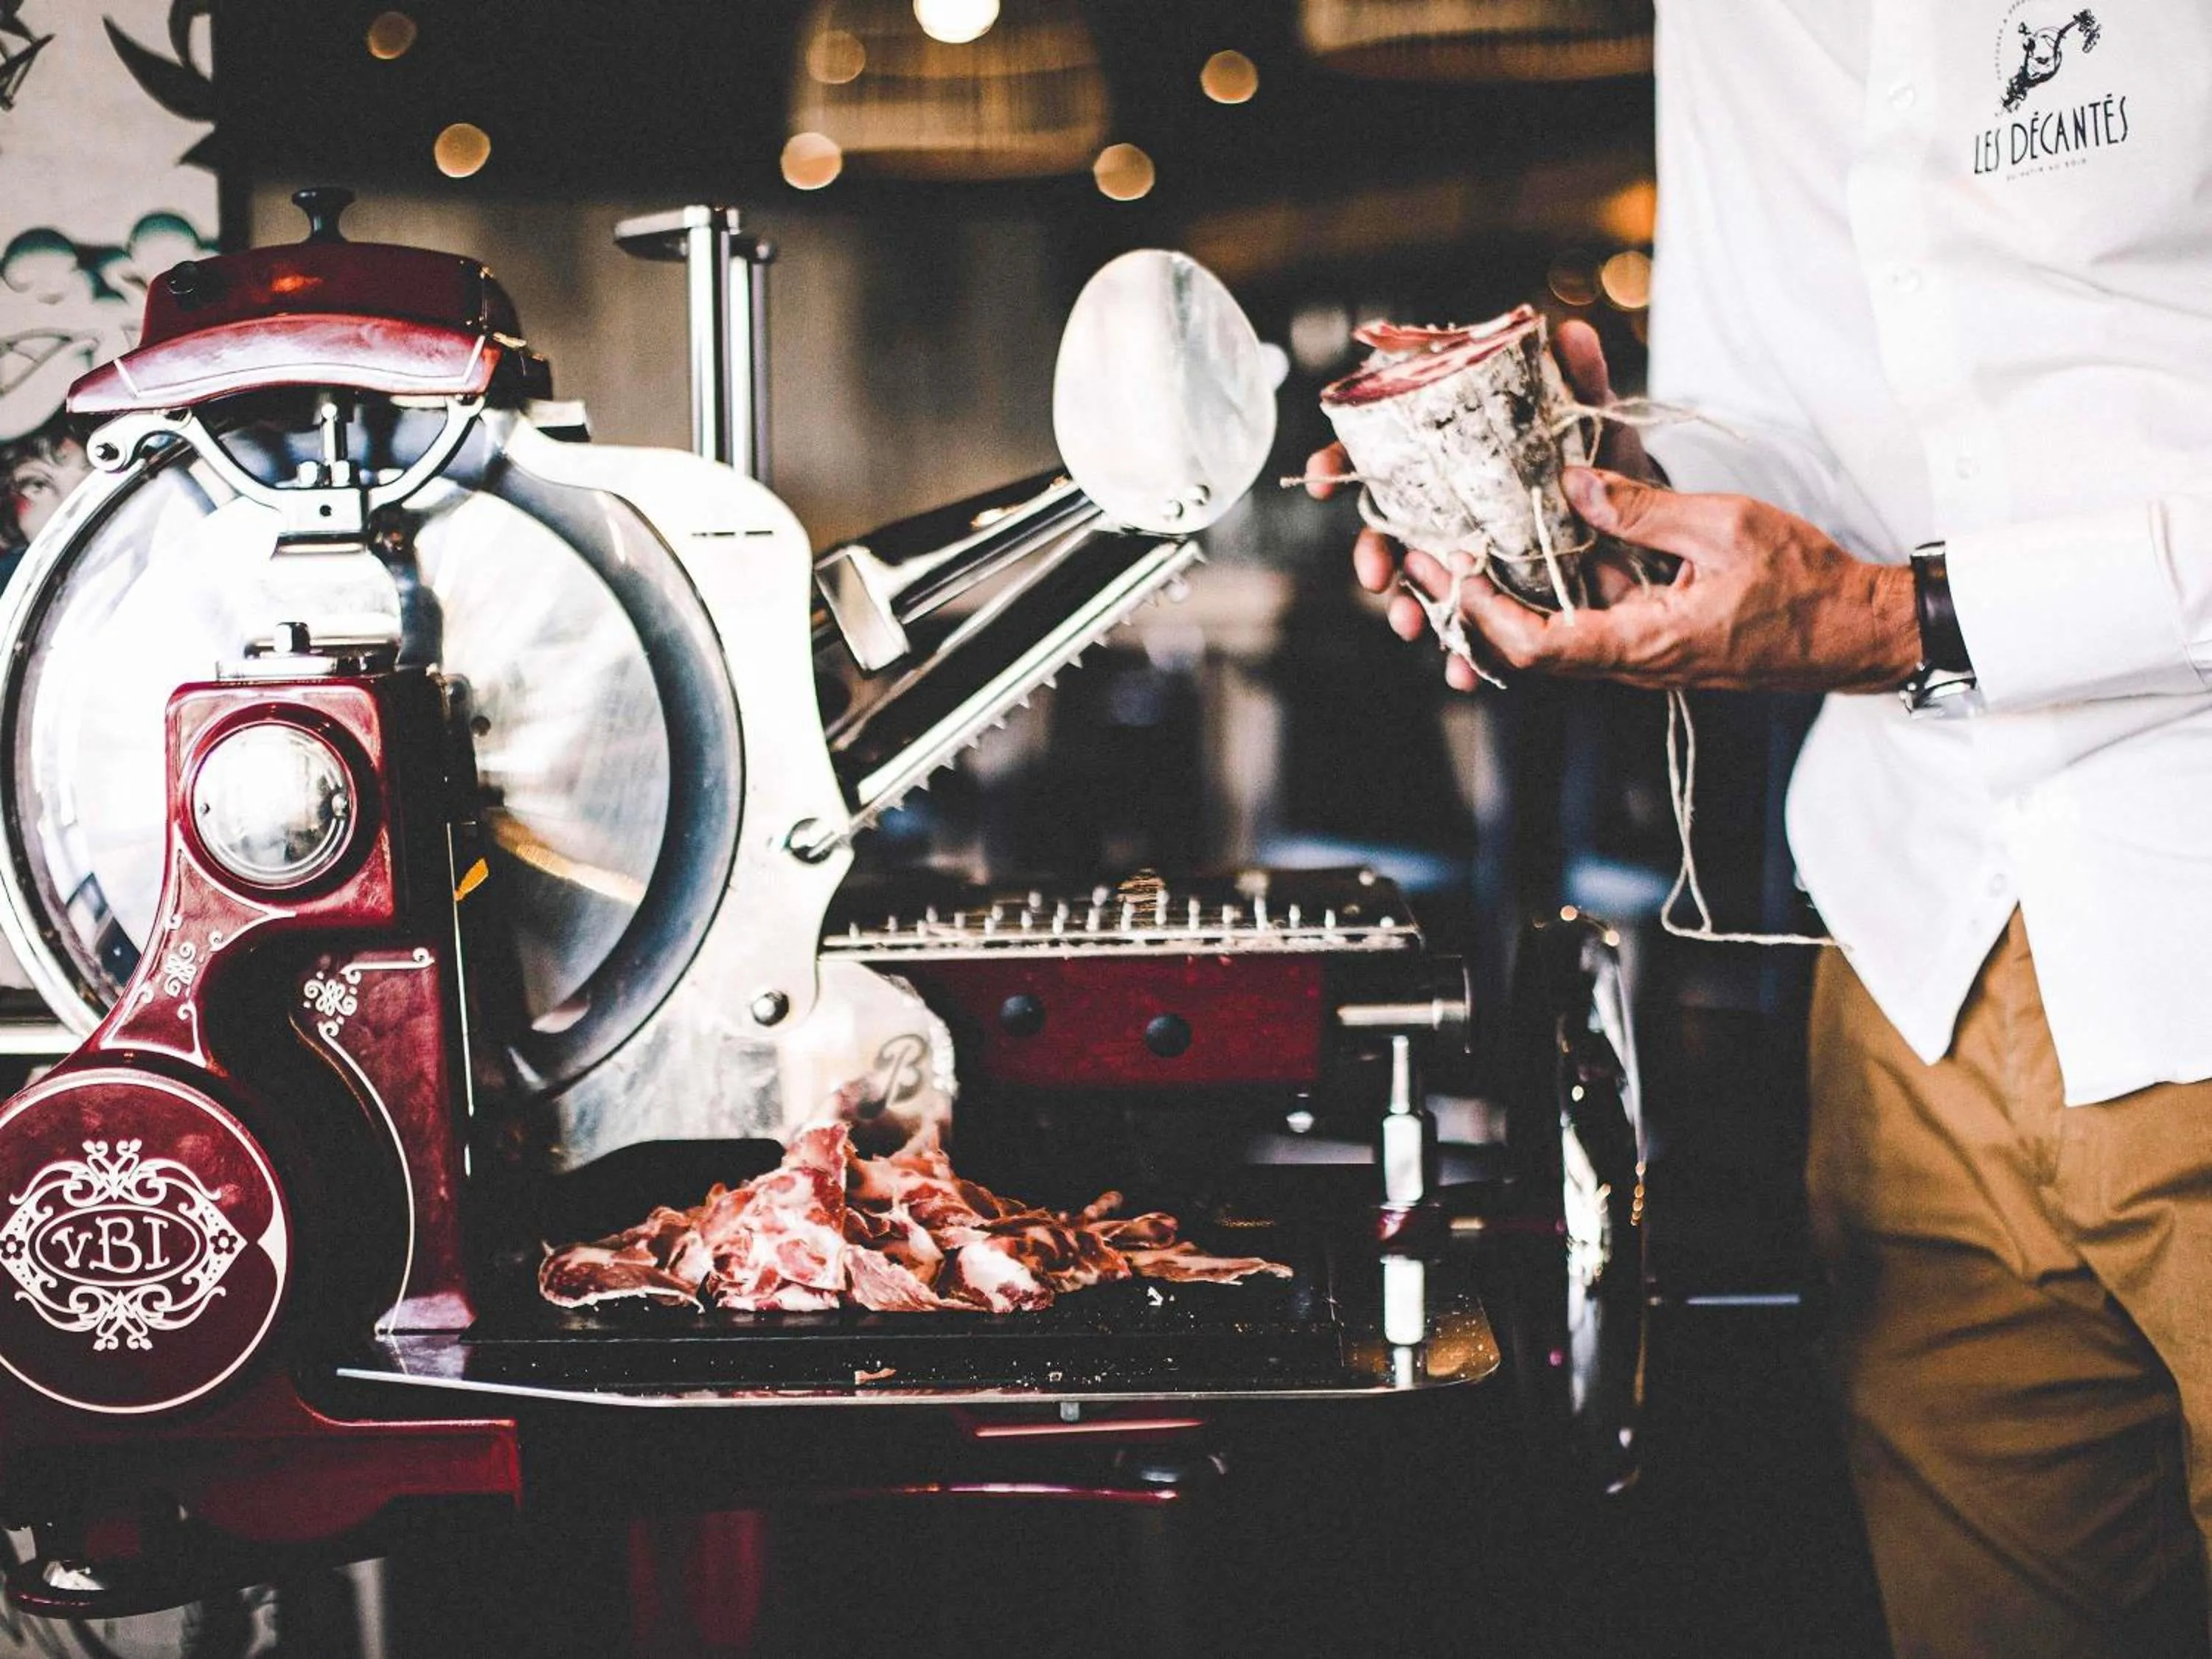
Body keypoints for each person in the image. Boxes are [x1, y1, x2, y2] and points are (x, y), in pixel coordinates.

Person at [1310, 4, 2212, 1654]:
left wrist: (1902, 616)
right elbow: (1810, 446)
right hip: (1913, 959)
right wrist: (1563, 492)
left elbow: (1882, 584)